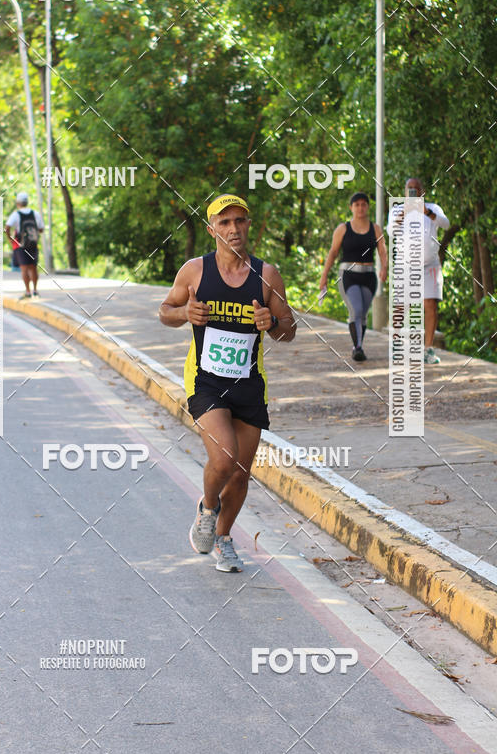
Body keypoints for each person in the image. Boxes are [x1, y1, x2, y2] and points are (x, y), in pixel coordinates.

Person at [158, 193, 295, 573]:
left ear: (248, 225)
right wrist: (185, 312)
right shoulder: (195, 271)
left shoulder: (266, 275)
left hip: (249, 384)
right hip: (206, 381)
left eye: (240, 221)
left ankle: (223, 536)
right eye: (224, 223)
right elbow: (164, 311)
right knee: (224, 457)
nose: (233, 229)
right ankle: (207, 507)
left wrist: (273, 324)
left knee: (240, 472)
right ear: (211, 229)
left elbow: (290, 330)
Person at [387, 177, 450, 364]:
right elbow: (391, 231)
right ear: (405, 191)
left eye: (416, 188)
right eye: (409, 188)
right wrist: (404, 214)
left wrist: (427, 212)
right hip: (405, 266)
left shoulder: (433, 208)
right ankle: (396, 344)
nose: (413, 191)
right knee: (401, 306)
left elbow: (446, 224)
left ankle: (428, 350)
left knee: (430, 305)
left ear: (422, 191)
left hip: (429, 264)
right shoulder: (397, 209)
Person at [320, 192, 388, 361]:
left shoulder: (375, 228)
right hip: (348, 276)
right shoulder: (343, 228)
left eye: (363, 204)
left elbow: (382, 251)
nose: (360, 207)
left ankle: (359, 346)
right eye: (356, 204)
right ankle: (357, 347)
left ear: (367, 207)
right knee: (356, 310)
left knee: (363, 314)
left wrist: (384, 268)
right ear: (351, 208)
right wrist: (324, 275)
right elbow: (333, 252)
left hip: (369, 276)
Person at [5, 192, 44, 298]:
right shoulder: (35, 214)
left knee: (24, 269)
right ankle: (35, 290)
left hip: (20, 245)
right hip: (33, 245)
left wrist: (10, 239)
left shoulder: (16, 214)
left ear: (18, 203)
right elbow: (41, 229)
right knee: (33, 268)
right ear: (27, 202)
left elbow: (7, 228)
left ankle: (27, 291)